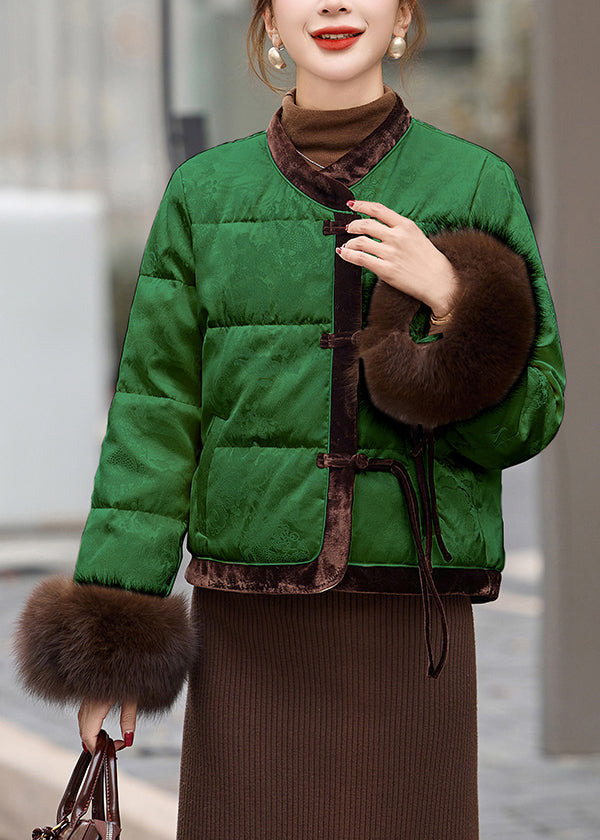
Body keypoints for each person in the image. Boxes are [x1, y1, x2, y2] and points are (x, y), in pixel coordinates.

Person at [15, 1, 565, 838]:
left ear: (404, 17)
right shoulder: (205, 194)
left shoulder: (473, 186)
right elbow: (154, 425)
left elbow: (529, 421)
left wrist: (456, 303)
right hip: (252, 632)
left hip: (408, 631)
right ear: (270, 21)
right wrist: (113, 645)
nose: (336, 5)